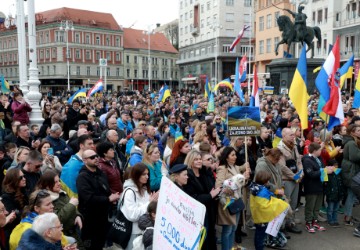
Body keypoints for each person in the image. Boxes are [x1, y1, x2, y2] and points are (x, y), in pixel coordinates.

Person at [77, 149, 120, 250]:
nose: (96, 158)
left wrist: (111, 197)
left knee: (100, 243)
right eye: (92, 157)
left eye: (96, 156)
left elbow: (106, 189)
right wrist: (108, 199)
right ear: (84, 160)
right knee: (91, 245)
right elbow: (88, 198)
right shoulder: (82, 177)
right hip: (90, 219)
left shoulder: (101, 173)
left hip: (103, 216)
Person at [183, 150, 220, 250]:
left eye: (200, 159)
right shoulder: (188, 176)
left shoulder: (204, 172)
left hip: (209, 209)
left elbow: (212, 188)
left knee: (210, 235)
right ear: (190, 161)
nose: (199, 161)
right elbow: (193, 198)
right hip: (198, 213)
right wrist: (210, 196)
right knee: (203, 238)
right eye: (196, 159)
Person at [215, 147, 250, 250]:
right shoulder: (222, 168)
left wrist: (245, 178)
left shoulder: (235, 167)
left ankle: (230, 247)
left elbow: (241, 183)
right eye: (232, 155)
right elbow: (219, 186)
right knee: (227, 230)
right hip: (227, 202)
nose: (235, 157)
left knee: (233, 228)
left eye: (235, 154)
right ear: (226, 157)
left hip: (237, 201)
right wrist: (233, 184)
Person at [37, 170, 83, 247]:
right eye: (55, 182)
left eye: (59, 181)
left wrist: (78, 215)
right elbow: (57, 218)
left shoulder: (62, 193)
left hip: (74, 232)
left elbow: (72, 208)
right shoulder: (46, 200)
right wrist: (71, 205)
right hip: (62, 235)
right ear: (47, 186)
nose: (59, 184)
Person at [120, 163, 158, 250]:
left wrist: (154, 202)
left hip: (145, 230)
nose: (147, 177)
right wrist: (149, 203)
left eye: (147, 174)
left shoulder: (145, 189)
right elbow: (132, 215)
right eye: (144, 174)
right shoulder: (129, 192)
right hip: (133, 232)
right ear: (136, 175)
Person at [250, 170, 289, 250]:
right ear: (265, 181)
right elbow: (267, 206)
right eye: (268, 180)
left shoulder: (255, 187)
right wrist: (280, 203)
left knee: (258, 234)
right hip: (263, 218)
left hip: (257, 216)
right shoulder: (262, 191)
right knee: (260, 237)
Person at [277, 128, 303, 234]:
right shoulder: (279, 148)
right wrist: (295, 177)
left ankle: (290, 223)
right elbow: (282, 167)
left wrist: (301, 173)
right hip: (286, 180)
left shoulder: (294, 146)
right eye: (291, 135)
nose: (293, 136)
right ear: (284, 136)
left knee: (293, 203)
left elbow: (299, 161)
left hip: (296, 179)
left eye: (293, 135)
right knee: (285, 204)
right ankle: (282, 227)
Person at [1, 168, 27, 248]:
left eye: (24, 176)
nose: (24, 179)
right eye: (21, 177)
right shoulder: (6, 197)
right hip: (14, 232)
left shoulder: (23, 191)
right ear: (13, 180)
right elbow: (13, 216)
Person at [341, 124, 360, 226]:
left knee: (351, 195)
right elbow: (354, 157)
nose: (359, 132)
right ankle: (347, 217)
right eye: (358, 130)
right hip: (351, 172)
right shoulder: (352, 143)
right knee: (351, 195)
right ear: (352, 132)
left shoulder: (352, 141)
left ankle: (349, 215)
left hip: (351, 171)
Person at [324, 159, 343, 227]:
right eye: (334, 165)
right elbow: (324, 183)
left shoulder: (339, 174)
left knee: (336, 209)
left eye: (337, 165)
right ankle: (330, 220)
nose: (336, 167)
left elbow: (341, 184)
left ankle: (335, 220)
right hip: (331, 195)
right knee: (330, 209)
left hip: (338, 194)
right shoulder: (328, 174)